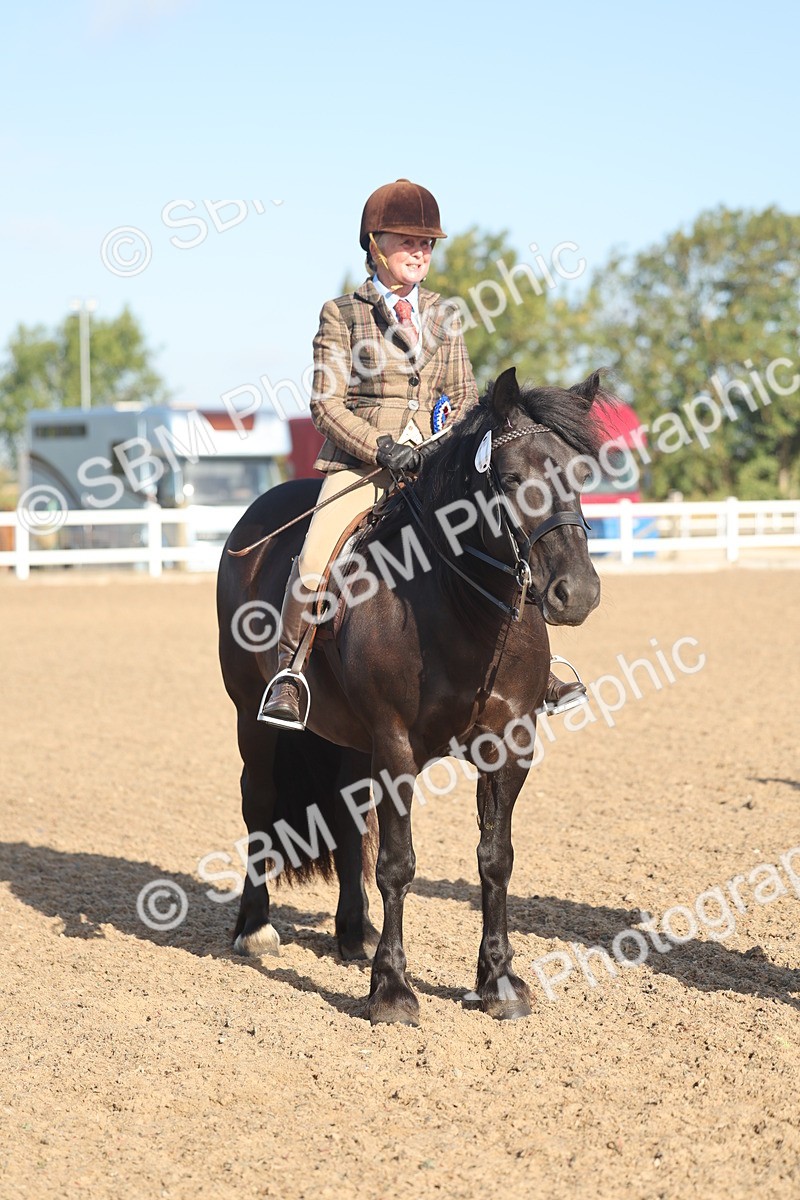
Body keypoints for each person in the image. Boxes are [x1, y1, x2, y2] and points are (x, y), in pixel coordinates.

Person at [257, 178, 586, 728]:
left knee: (506, 536)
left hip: (436, 466)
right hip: (363, 466)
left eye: (428, 243)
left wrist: (442, 442)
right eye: (408, 241)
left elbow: (463, 396)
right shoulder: (342, 314)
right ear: (374, 245)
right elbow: (326, 404)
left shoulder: (444, 315)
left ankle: (538, 670)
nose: (420, 252)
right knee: (316, 560)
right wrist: (381, 448)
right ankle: (291, 672)